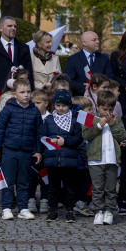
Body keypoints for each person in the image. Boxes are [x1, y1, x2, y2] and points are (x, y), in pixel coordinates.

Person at [0, 78, 43, 219]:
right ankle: (7, 208)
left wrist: (38, 150)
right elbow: (0, 129)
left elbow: (39, 133)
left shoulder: (35, 111)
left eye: (28, 92)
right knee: (8, 181)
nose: (26, 95)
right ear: (15, 95)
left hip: (26, 152)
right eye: (22, 92)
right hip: (9, 150)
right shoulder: (8, 109)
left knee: (23, 182)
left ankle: (23, 208)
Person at [82, 89, 126, 226]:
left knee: (111, 188)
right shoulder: (90, 118)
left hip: (112, 160)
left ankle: (109, 211)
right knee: (98, 188)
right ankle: (98, 211)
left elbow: (122, 136)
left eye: (110, 109)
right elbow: (86, 135)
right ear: (97, 106)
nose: (107, 112)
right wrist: (99, 125)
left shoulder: (116, 120)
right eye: (104, 108)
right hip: (96, 160)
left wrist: (112, 126)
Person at [41, 89, 82, 222]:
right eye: (58, 105)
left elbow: (78, 138)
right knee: (53, 187)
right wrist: (48, 141)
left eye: (64, 105)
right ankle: (53, 210)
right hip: (52, 159)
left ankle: (70, 210)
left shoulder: (75, 119)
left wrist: (65, 142)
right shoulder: (49, 119)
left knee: (70, 186)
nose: (61, 108)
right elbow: (42, 136)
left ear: (69, 105)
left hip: (68, 159)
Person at [0, 16, 33, 93]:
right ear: (0, 28)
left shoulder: (24, 48)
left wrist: (31, 94)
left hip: (20, 95)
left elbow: (29, 74)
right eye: (9, 26)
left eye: (15, 26)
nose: (13, 28)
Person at [64, 30, 112, 97]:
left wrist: (99, 87)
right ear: (84, 43)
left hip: (101, 99)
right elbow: (68, 80)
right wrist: (86, 88)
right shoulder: (73, 59)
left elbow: (110, 77)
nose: (98, 42)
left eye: (98, 39)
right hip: (80, 99)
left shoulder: (104, 58)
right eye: (94, 40)